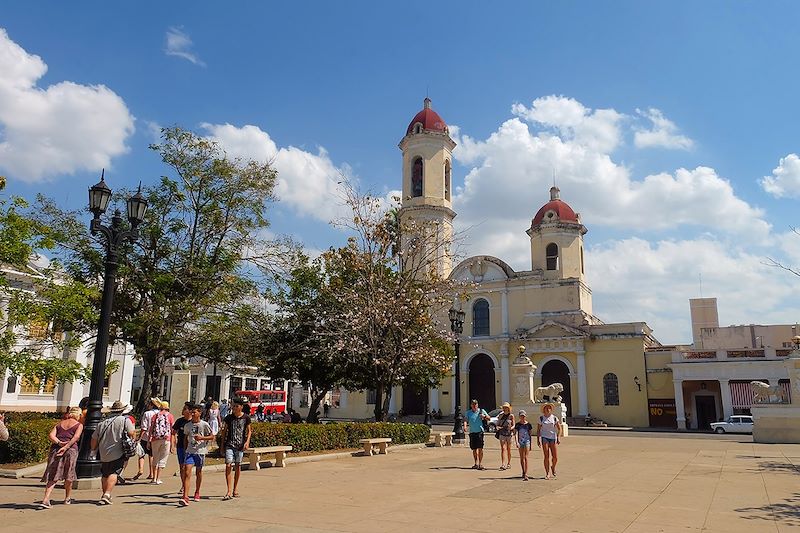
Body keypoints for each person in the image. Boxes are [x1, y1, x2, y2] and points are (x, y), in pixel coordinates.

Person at [91, 401, 136, 505]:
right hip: (118, 450)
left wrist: (93, 451)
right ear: (122, 410)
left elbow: (94, 438)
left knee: (105, 473)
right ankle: (107, 493)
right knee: (114, 472)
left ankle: (105, 494)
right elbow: (131, 432)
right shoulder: (125, 420)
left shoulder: (102, 422)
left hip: (103, 451)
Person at [39, 407, 83, 508]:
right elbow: (76, 437)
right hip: (71, 450)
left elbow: (51, 435)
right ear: (78, 415)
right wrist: (66, 446)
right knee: (69, 474)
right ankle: (67, 498)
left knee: (53, 474)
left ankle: (46, 499)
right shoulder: (79, 425)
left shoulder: (60, 423)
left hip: (55, 450)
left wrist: (59, 443)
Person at [179, 403, 214, 506]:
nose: (192, 413)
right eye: (191, 412)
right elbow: (185, 438)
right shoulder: (187, 425)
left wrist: (202, 438)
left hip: (200, 452)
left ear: (200, 413)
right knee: (187, 472)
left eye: (194, 412)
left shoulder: (204, 424)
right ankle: (185, 496)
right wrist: (186, 449)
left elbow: (212, 436)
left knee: (199, 472)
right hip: (190, 451)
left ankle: (197, 491)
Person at [220, 398, 251, 500]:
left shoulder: (246, 418)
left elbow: (249, 431)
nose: (234, 408)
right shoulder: (229, 418)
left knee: (238, 466)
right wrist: (222, 445)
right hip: (230, 444)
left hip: (240, 446)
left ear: (241, 407)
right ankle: (228, 490)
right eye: (233, 406)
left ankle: (235, 489)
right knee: (228, 464)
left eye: (236, 406)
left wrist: (247, 442)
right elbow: (224, 432)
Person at [149, 400, 174, 485]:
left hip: (155, 439)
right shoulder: (170, 416)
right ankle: (159, 478)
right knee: (163, 458)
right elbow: (172, 430)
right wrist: (173, 443)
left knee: (155, 457)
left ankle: (154, 478)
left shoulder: (155, 416)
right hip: (166, 439)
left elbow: (151, 428)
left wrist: (149, 440)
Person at [536, 403, 563, 480]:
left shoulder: (554, 418)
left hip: (553, 437)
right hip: (545, 437)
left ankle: (553, 467)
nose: (548, 409)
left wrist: (558, 437)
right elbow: (538, 430)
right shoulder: (541, 418)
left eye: (549, 408)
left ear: (551, 409)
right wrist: (538, 440)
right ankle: (547, 473)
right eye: (546, 408)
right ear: (543, 409)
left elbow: (559, 428)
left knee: (555, 457)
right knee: (546, 456)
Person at [463, 399, 489, 470]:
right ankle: (476, 463)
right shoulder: (468, 413)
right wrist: (465, 426)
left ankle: (480, 463)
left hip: (480, 432)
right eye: (473, 404)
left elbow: (489, 418)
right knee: (474, 449)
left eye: (475, 404)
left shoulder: (481, 411)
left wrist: (484, 416)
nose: (474, 405)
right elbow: (465, 420)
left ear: (477, 405)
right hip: (472, 432)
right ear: (471, 405)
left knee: (480, 448)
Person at [138, 398, 160, 480]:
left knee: (141, 454)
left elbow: (144, 427)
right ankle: (152, 473)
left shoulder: (147, 413)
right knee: (152, 455)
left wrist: (139, 438)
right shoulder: (160, 413)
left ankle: (141, 469)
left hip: (146, 437)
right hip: (155, 437)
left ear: (151, 405)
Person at [172, 402, 192, 487]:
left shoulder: (194, 422)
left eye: (185, 409)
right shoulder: (180, 421)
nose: (183, 410)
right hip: (180, 447)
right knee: (182, 467)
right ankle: (183, 485)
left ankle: (186, 485)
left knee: (187, 468)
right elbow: (173, 432)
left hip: (191, 448)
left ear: (190, 411)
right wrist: (173, 445)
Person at [514, 410, 533, 481]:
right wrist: (516, 442)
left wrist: (530, 444)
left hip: (527, 441)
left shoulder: (529, 425)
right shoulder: (517, 425)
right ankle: (523, 470)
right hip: (520, 442)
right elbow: (515, 433)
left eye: (524, 416)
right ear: (519, 416)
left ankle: (526, 473)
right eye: (521, 416)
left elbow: (530, 435)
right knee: (521, 457)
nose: (522, 417)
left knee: (526, 457)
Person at [497, 402, 515, 471]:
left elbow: (514, 425)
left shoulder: (511, 416)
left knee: (509, 449)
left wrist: (512, 428)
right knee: (503, 449)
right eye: (504, 408)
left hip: (509, 434)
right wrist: (498, 427)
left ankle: (509, 463)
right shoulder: (501, 415)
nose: (505, 409)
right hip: (502, 434)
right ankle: (503, 464)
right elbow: (497, 424)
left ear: (508, 408)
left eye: (506, 408)